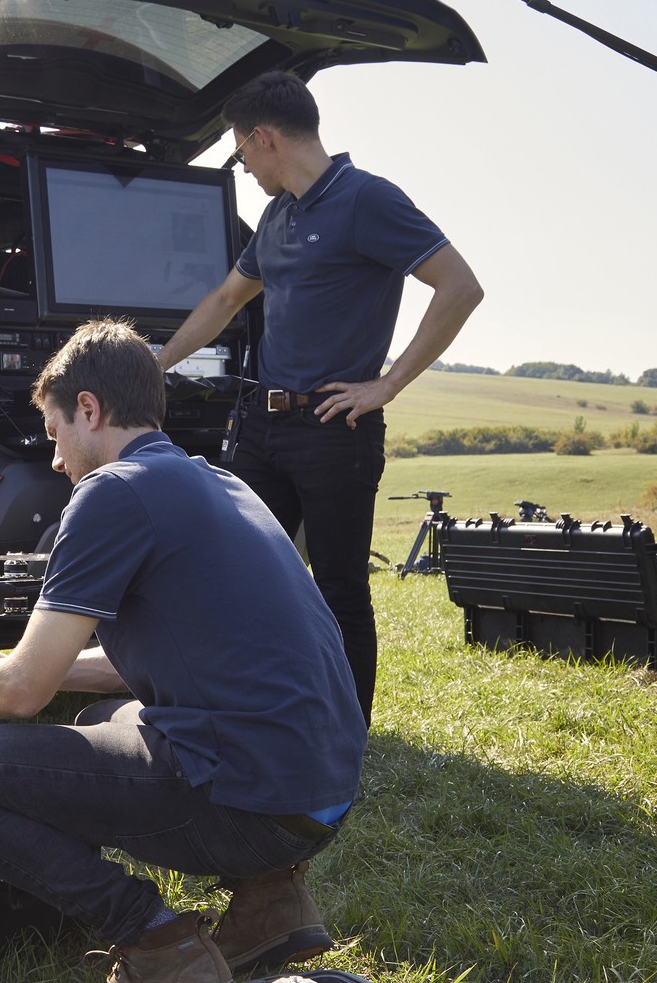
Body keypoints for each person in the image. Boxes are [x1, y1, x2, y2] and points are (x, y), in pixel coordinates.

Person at [0, 320, 365, 983]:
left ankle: (156, 942)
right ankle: (272, 905)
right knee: (103, 718)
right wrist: (12, 661)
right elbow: (139, 664)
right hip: (318, 794)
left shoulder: (110, 492)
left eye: (55, 431)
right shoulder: (218, 482)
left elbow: (23, 693)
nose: (57, 458)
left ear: (89, 409)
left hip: (251, 806)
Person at [156, 71, 484, 723]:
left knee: (337, 588)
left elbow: (460, 286)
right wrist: (156, 362)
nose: (243, 167)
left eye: (240, 151)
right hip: (262, 429)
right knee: (237, 570)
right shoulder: (278, 215)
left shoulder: (368, 200)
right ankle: (248, 707)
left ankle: (346, 732)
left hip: (336, 433)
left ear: (264, 137)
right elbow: (226, 300)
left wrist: (386, 384)